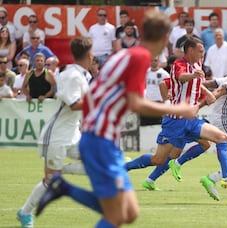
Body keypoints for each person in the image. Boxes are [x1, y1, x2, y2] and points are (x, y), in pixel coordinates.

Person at [35, 10, 200, 227]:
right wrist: (178, 110)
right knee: (116, 215)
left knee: (129, 212)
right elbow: (135, 103)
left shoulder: (125, 54)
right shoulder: (141, 57)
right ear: (166, 37)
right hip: (100, 139)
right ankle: (61, 186)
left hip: (99, 137)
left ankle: (62, 187)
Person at [125, 37, 227, 189]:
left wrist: (205, 91)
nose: (202, 55)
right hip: (175, 121)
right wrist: (193, 77)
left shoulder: (197, 64)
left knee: (221, 138)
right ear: (190, 50)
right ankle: (125, 168)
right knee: (158, 159)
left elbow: (194, 82)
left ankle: (226, 176)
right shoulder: (179, 64)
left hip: (191, 120)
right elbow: (182, 78)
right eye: (200, 51)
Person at [16, 37, 94, 228]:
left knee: (96, 163)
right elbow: (75, 104)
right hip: (57, 136)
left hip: (73, 134)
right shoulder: (72, 75)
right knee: (50, 181)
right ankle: (25, 213)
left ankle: (61, 171)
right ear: (89, 55)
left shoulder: (82, 75)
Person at [168, 53, 227, 205]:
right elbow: (218, 92)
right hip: (225, 120)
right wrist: (198, 106)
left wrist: (194, 85)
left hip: (224, 119)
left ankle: (211, 179)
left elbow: (214, 83)